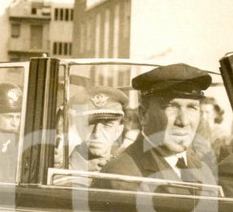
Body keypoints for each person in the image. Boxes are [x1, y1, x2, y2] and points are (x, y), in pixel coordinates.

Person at [93, 63, 217, 194]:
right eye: (171, 107)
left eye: (192, 107)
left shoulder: (203, 170)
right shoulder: (122, 177)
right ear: (143, 115)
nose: (184, 121)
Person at [63, 86, 129, 172]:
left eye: (107, 125)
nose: (97, 133)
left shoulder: (123, 171)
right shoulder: (59, 174)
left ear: (118, 131)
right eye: (90, 124)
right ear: (78, 128)